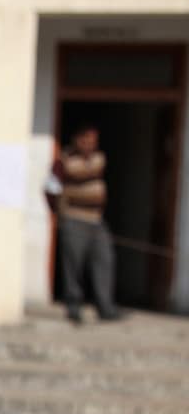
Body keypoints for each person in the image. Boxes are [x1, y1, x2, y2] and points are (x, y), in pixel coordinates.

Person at [45, 123, 120, 324]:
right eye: (85, 140)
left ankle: (105, 307)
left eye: (93, 141)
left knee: (105, 260)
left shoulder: (99, 159)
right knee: (74, 265)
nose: (89, 145)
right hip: (73, 219)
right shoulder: (63, 162)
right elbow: (51, 189)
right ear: (77, 140)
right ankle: (74, 306)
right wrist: (60, 213)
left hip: (96, 219)